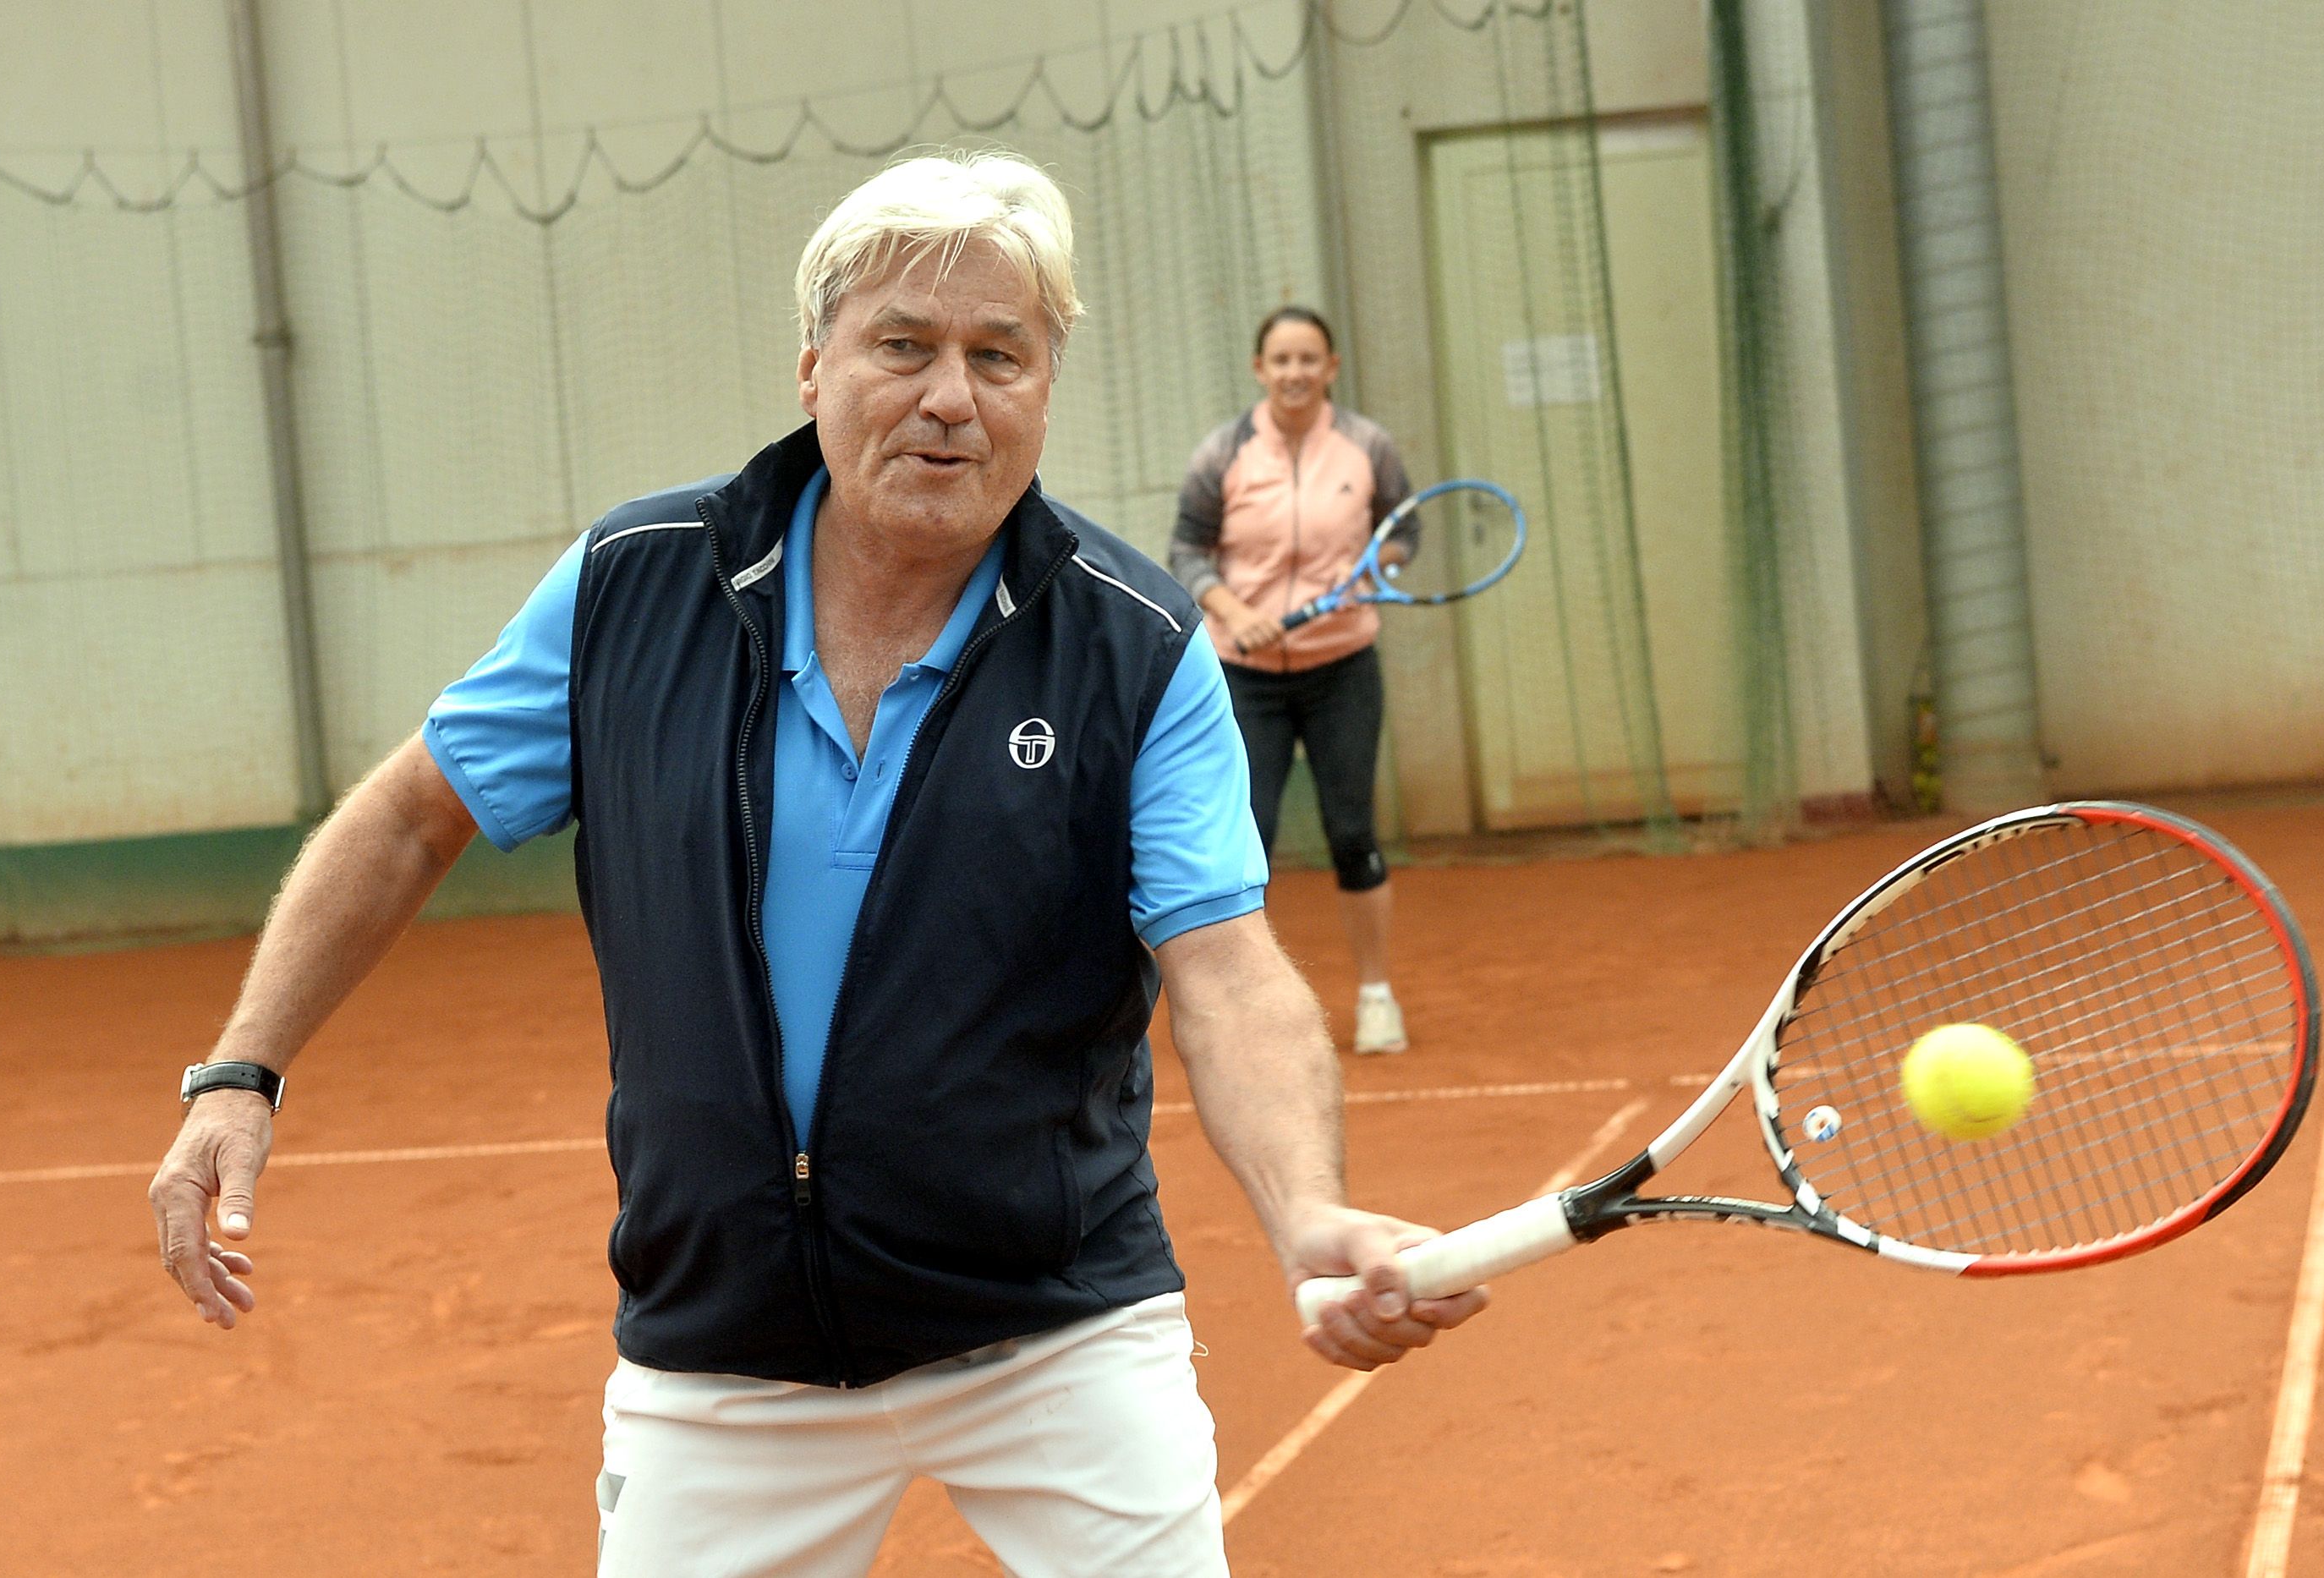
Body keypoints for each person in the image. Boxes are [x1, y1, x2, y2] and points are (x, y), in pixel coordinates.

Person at [146, 152, 1484, 1578]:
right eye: (902, 345)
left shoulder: (1137, 649)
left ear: (1046, 387)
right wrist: (242, 1068)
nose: (951, 395)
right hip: (728, 1351)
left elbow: (1225, 973)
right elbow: (413, 816)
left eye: (999, 355)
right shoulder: (632, 587)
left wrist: (1303, 1213)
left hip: (1051, 1326)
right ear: (813, 367)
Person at [1169, 307, 1417, 1055]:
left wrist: (1379, 569)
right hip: (1245, 678)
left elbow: (1404, 531)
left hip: (1343, 668)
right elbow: (1187, 549)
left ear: (1331, 367)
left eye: (1309, 359)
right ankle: (1251, 1009)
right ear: (1260, 369)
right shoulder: (1224, 453)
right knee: (1249, 842)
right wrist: (1232, 611)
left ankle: (1377, 996)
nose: (1295, 372)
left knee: (1352, 833)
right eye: (1281, 360)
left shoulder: (1369, 447)